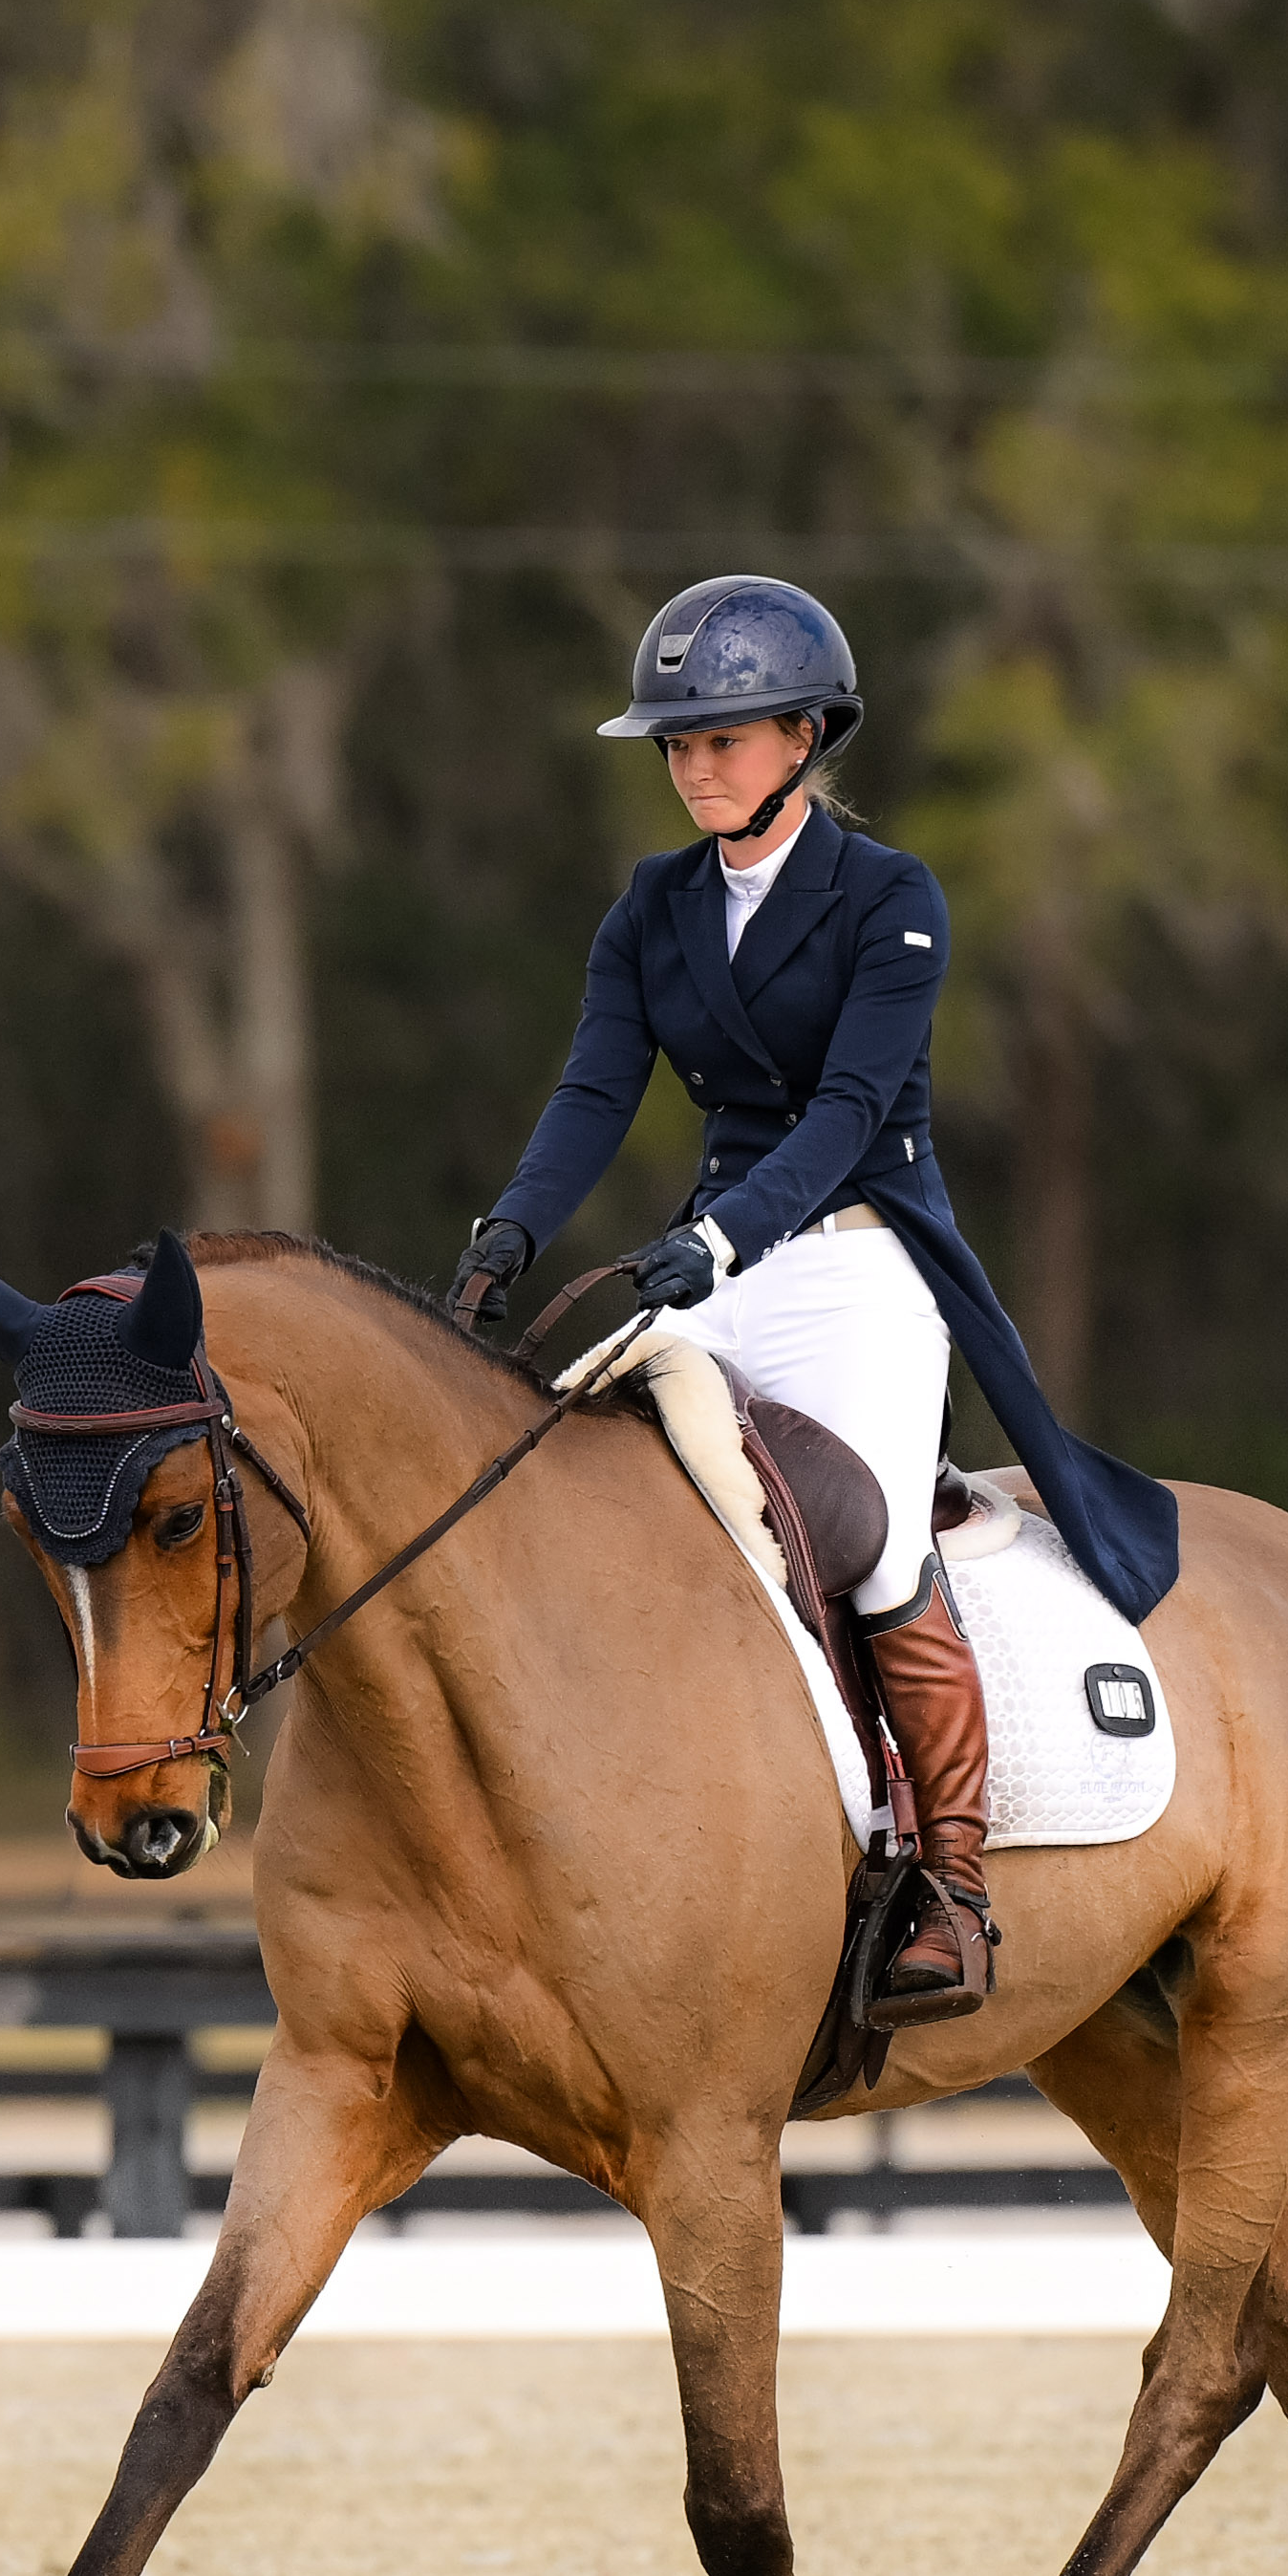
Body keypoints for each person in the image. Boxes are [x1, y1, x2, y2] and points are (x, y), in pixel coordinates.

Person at [453, 574, 1183, 2016]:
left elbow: (852, 1109)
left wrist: (721, 1244)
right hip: (713, 1259)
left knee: (874, 1549)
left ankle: (953, 1885)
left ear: (804, 733)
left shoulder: (889, 897)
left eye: (720, 738)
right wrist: (508, 1234)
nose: (692, 767)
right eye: (675, 744)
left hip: (854, 1260)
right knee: (579, 1493)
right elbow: (597, 1090)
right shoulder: (650, 909)